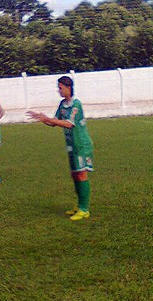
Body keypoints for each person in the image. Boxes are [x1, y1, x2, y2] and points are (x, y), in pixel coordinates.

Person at [27, 76, 94, 221]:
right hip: (71, 145)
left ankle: (84, 209)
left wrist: (48, 119)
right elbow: (54, 122)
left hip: (81, 144)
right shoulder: (63, 104)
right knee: (75, 174)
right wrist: (42, 118)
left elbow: (69, 124)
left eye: (60, 88)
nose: (59, 90)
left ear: (69, 87)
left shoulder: (76, 104)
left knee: (81, 174)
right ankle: (79, 205)